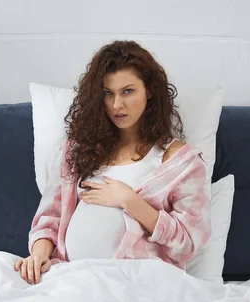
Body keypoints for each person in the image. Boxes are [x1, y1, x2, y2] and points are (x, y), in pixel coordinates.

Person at [14, 40, 211, 284]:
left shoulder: (180, 162)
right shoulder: (78, 150)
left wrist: (130, 201)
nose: (117, 105)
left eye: (128, 91)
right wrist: (39, 255)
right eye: (108, 93)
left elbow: (188, 242)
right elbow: (51, 218)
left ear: (149, 90)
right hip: (68, 278)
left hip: (137, 283)